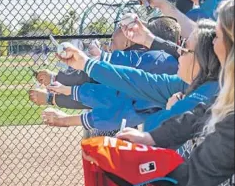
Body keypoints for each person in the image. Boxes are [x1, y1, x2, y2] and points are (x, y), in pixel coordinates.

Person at [114, 0, 234, 186]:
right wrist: (150, 138)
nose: (212, 42)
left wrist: (125, 168)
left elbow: (190, 176)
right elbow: (200, 113)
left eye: (218, 36)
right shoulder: (226, 89)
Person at [49, 18, 220, 133]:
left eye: (185, 47)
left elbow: (130, 86)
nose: (180, 51)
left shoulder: (207, 92)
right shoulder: (180, 84)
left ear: (202, 59)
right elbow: (135, 81)